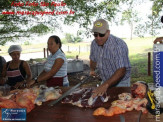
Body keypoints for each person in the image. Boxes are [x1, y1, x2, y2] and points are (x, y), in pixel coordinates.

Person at [90, 19, 131, 97]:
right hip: (105, 80)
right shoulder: (94, 44)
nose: (98, 38)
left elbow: (122, 70)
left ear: (108, 32)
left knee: (120, 105)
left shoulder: (118, 45)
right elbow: (93, 58)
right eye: (95, 34)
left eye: (101, 35)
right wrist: (92, 70)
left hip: (121, 82)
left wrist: (105, 85)